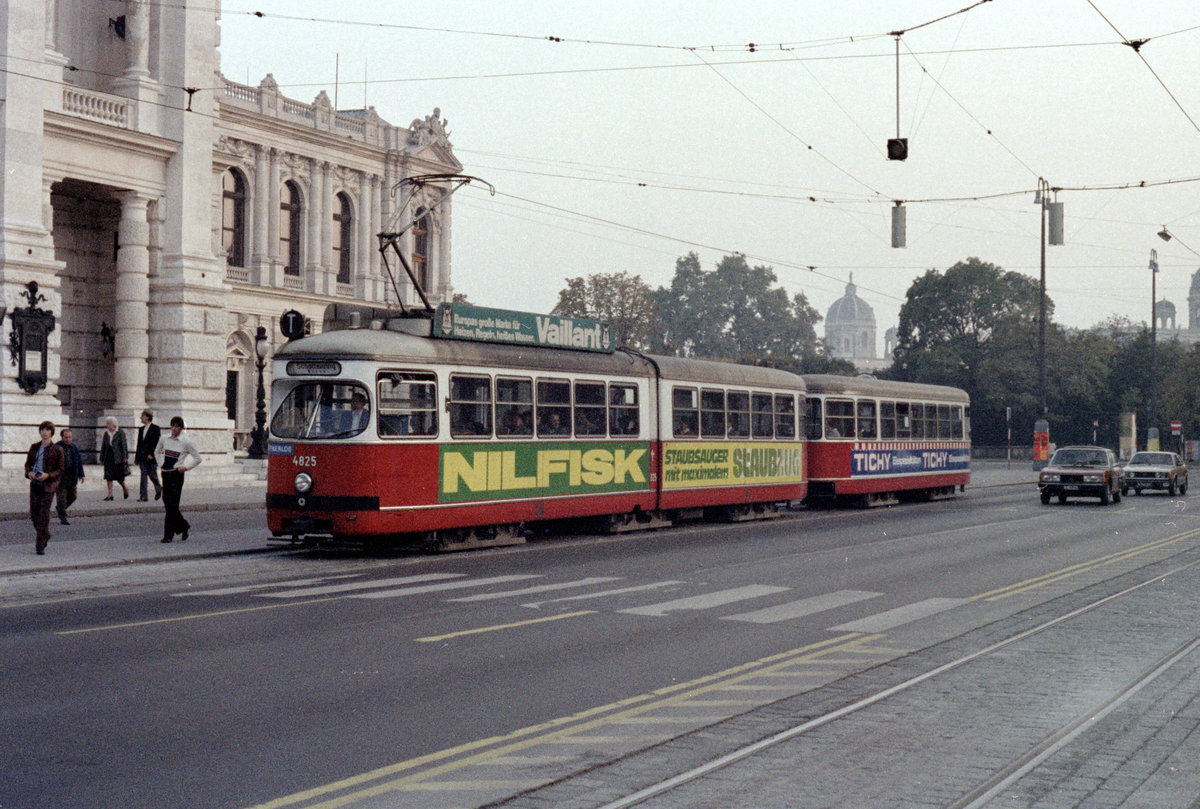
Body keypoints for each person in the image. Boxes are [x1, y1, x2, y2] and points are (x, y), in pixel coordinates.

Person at [155, 416, 202, 543]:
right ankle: (183, 526)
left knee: (172, 504)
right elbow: (157, 452)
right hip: (166, 473)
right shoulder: (164, 438)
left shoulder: (186, 442)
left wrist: (185, 467)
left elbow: (197, 458)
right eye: (172, 426)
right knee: (167, 502)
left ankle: (168, 535)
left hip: (177, 474)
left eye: (176, 426)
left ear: (181, 428)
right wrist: (161, 463)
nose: (174, 429)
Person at [25, 421, 64, 555]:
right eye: (42, 430)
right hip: (35, 484)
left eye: (47, 430)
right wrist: (29, 473)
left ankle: (40, 545)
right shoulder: (34, 447)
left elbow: (60, 470)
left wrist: (48, 475)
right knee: (34, 514)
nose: (45, 432)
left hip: (48, 486)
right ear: (40, 432)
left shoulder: (57, 449)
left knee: (43, 515)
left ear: (51, 432)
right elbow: (28, 464)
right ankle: (45, 534)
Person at [55, 428, 85, 526]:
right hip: (60, 477)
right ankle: (63, 517)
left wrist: (82, 474)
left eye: (70, 437)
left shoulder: (74, 447)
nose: (68, 439)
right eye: (66, 437)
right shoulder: (56, 447)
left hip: (72, 476)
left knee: (73, 496)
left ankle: (60, 508)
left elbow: (79, 461)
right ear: (62, 437)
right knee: (61, 497)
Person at [135, 408, 162, 502]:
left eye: (142, 416)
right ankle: (143, 496)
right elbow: (139, 444)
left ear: (147, 417)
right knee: (143, 474)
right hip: (142, 456)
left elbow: (157, 443)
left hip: (151, 456)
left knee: (152, 475)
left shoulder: (155, 429)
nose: (140, 418)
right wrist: (136, 457)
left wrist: (152, 454)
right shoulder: (141, 429)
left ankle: (158, 488)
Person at [100, 416, 129, 500]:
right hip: (108, 456)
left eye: (109, 424)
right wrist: (102, 457)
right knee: (108, 476)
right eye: (107, 424)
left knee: (119, 477)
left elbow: (124, 445)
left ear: (114, 424)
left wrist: (125, 456)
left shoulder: (120, 433)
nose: (107, 426)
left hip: (118, 457)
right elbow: (103, 446)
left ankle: (125, 488)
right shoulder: (106, 434)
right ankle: (110, 495)